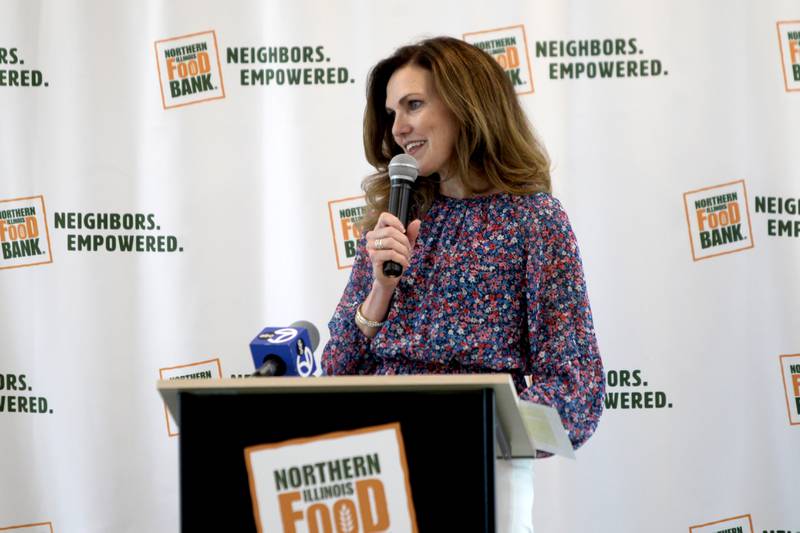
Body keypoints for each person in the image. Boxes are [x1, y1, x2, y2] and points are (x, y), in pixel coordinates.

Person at [322, 36, 604, 532]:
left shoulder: (534, 221)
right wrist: (379, 292)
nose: (399, 128)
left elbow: (577, 388)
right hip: (382, 470)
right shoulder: (392, 222)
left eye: (413, 105)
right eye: (391, 113)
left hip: (481, 470)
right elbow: (337, 373)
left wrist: (474, 425)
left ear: (466, 104)